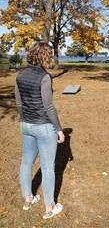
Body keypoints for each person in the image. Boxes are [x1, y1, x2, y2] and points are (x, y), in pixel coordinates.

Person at [15, 42, 65, 219]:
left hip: (26, 125)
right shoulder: (45, 77)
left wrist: (25, 118)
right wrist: (59, 129)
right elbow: (49, 107)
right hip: (43, 127)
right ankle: (49, 207)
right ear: (45, 56)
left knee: (26, 163)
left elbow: (19, 103)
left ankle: (28, 198)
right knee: (47, 168)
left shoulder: (20, 75)